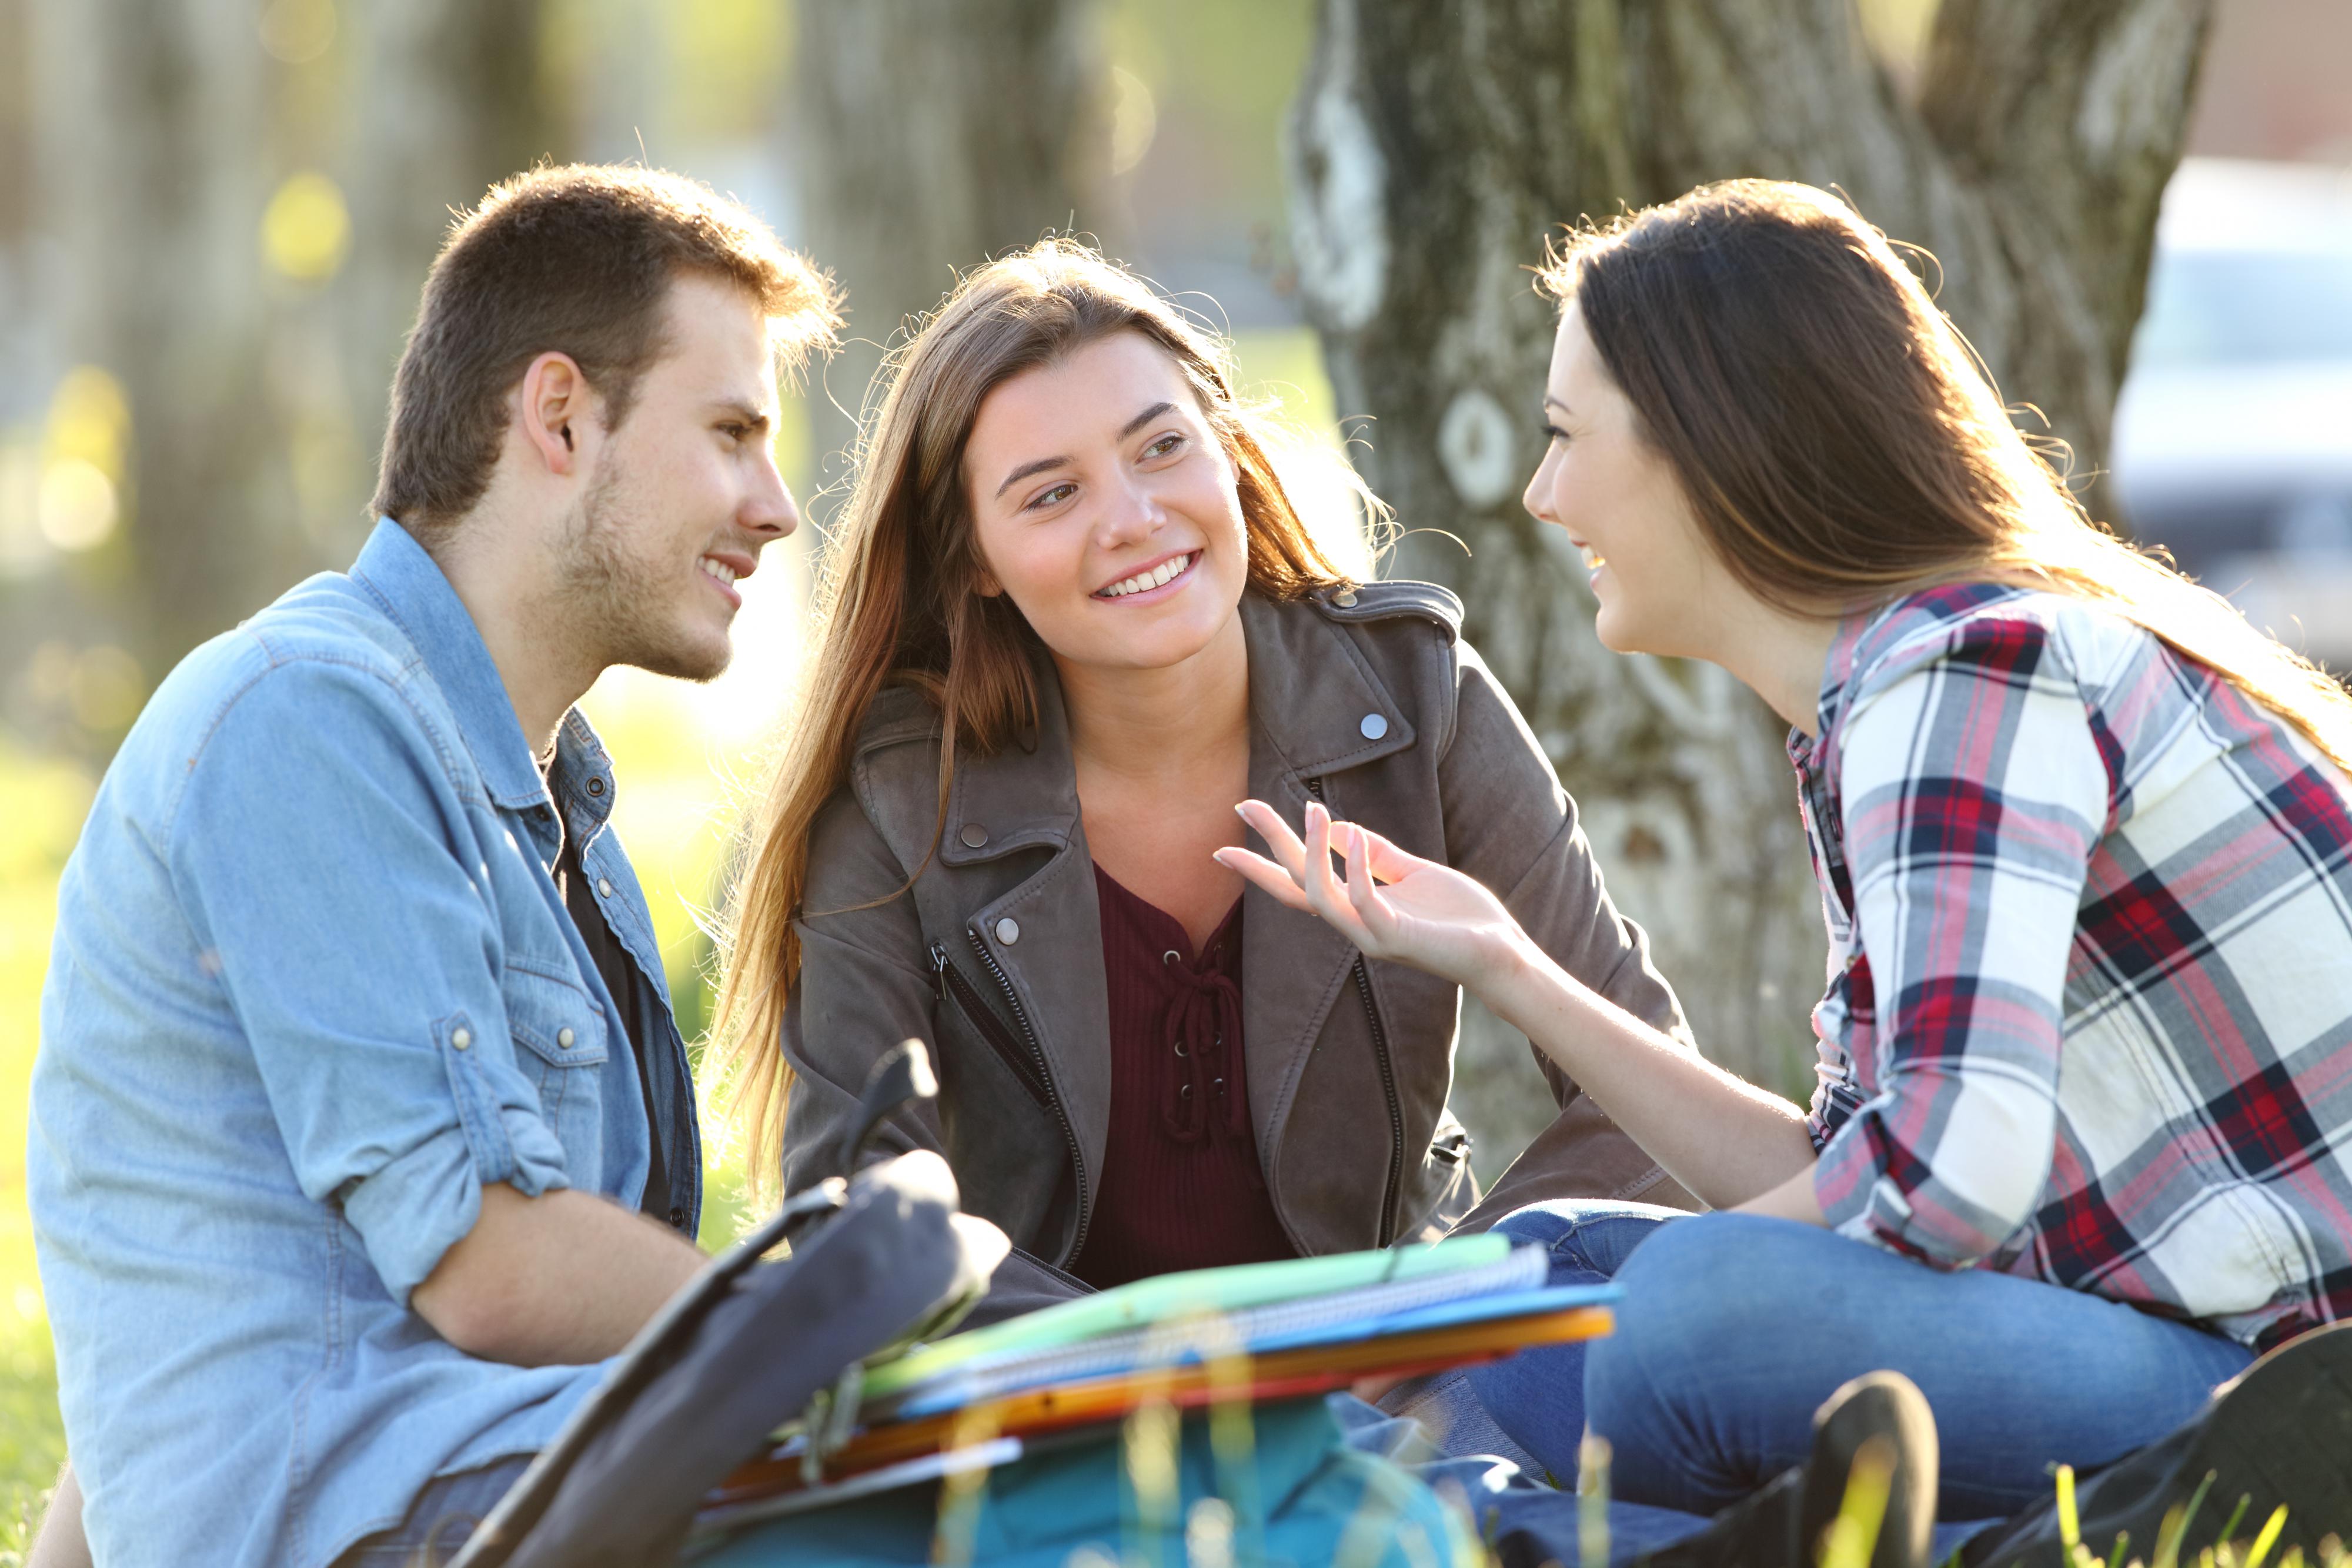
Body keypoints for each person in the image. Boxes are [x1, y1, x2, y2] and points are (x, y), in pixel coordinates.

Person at [1221, 179, 2352, 1560]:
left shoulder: (1964, 672)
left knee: (1684, 1311)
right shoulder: (1886, 698)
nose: (1539, 493)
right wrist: (1508, 965)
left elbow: (1939, 1176)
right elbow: (1851, 1172)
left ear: (1711, 446)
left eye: (1569, 437)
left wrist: (1675, 1288)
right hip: (2149, 1342)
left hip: (2278, 1389)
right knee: (1539, 1263)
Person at [26, 164, 838, 1568]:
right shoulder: (304, 717)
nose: (774, 503)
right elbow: (487, 1259)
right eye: (729, 433)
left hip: (504, 1495)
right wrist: (811, 1330)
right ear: (561, 416)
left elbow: (175, 1368)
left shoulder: (552, 807)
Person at [713, 238, 1696, 1324]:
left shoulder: (1417, 698)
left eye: (1163, 447)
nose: (1132, 517)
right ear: (973, 561)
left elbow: (1645, 1098)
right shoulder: (900, 798)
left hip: (1409, 1377)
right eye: (1050, 496)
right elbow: (855, 1218)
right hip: (1062, 1410)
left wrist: (1429, 1329)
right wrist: (1176, 1389)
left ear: (1226, 452)